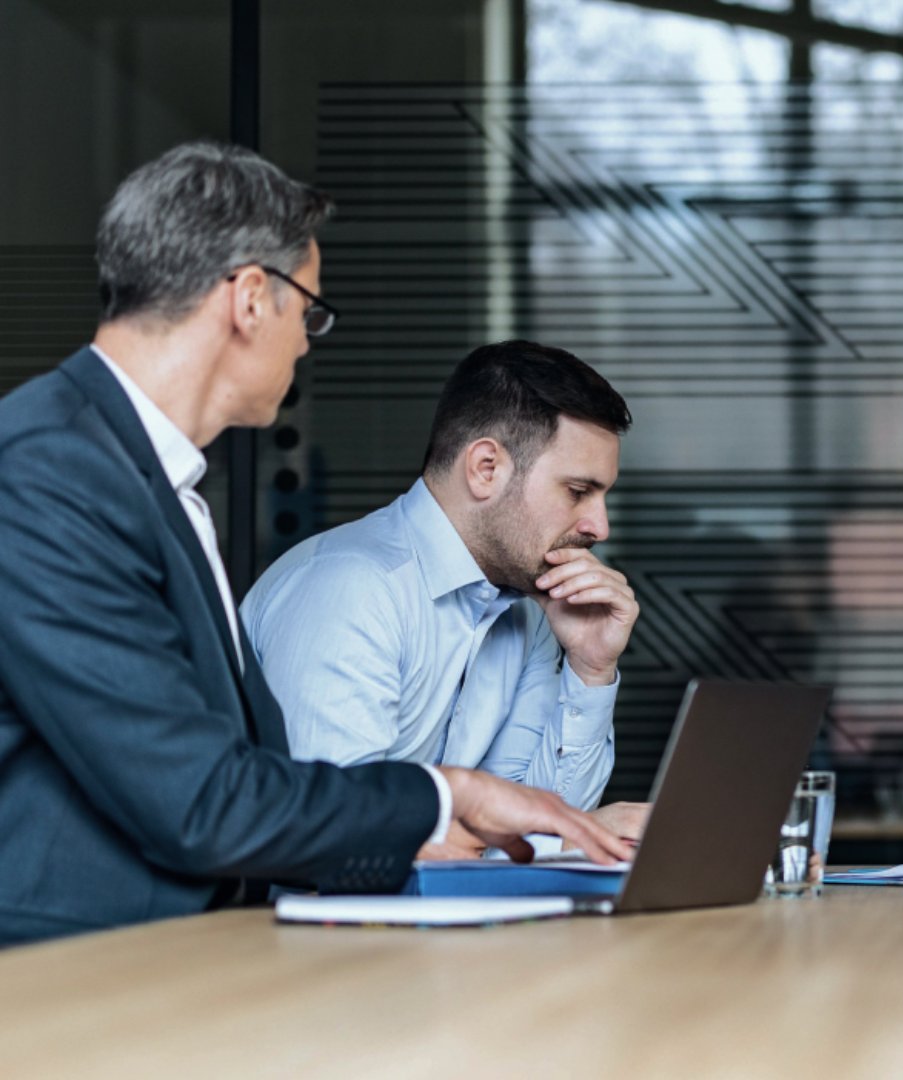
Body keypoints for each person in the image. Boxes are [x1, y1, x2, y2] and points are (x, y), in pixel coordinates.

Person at [0, 141, 623, 946]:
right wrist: (446, 794)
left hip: (164, 964)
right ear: (251, 299)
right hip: (76, 982)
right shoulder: (49, 472)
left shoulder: (134, 474)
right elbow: (201, 802)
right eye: (309, 311)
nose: (306, 343)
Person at [243, 341, 647, 855]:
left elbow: (526, 823)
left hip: (442, 924)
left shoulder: (530, 611)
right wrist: (575, 834)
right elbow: (336, 840)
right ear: (485, 468)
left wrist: (589, 670)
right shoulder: (353, 589)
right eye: (577, 491)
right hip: (310, 931)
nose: (600, 527)